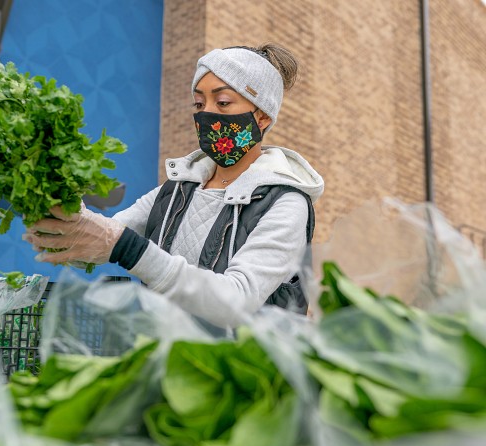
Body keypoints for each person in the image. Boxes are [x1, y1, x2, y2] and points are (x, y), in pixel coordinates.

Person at [22, 43, 324, 328]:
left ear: (262, 117)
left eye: (222, 102)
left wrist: (124, 247)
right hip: (163, 363)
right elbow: (99, 238)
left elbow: (236, 300)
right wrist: (54, 203)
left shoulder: (285, 203)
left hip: (240, 375)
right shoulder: (178, 189)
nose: (207, 114)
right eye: (198, 102)